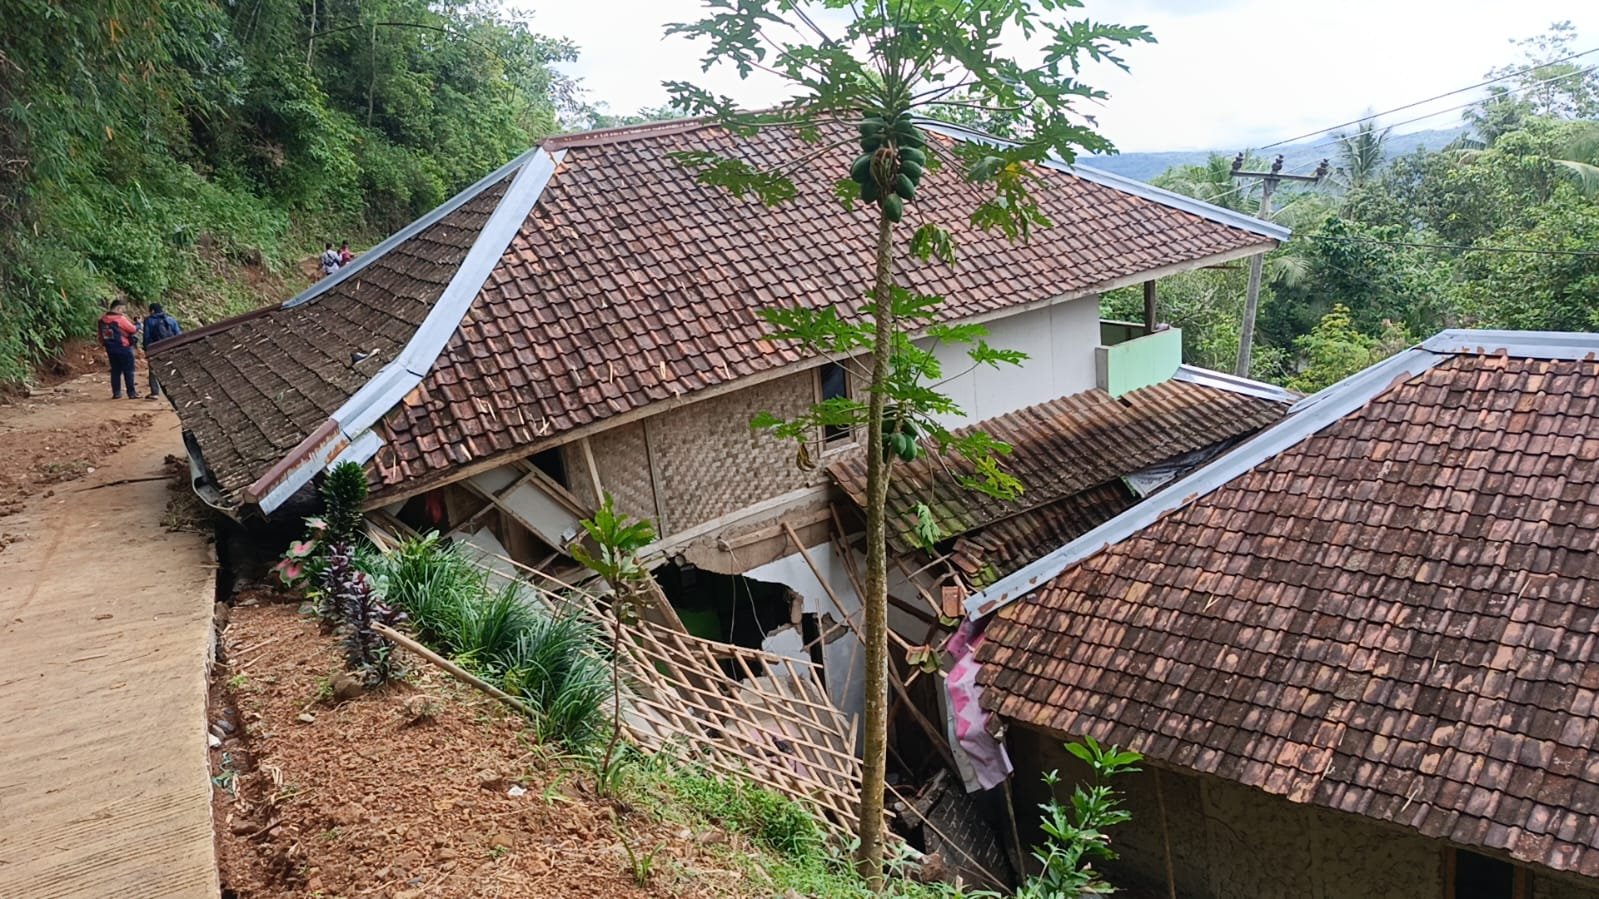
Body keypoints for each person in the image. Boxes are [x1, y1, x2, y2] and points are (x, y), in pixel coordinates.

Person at [97, 300, 139, 399]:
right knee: (128, 370)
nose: (122, 312)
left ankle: (116, 393)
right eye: (122, 310)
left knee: (115, 371)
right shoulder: (120, 319)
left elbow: (100, 336)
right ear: (118, 308)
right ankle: (131, 393)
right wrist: (138, 324)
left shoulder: (102, 320)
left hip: (110, 349)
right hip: (123, 348)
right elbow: (132, 329)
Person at [141, 303, 182, 399]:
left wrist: (147, 348)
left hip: (155, 348)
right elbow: (178, 334)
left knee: (153, 370)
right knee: (170, 368)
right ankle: (174, 390)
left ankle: (155, 393)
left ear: (152, 311)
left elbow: (146, 336)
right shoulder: (171, 320)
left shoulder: (149, 321)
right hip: (170, 347)